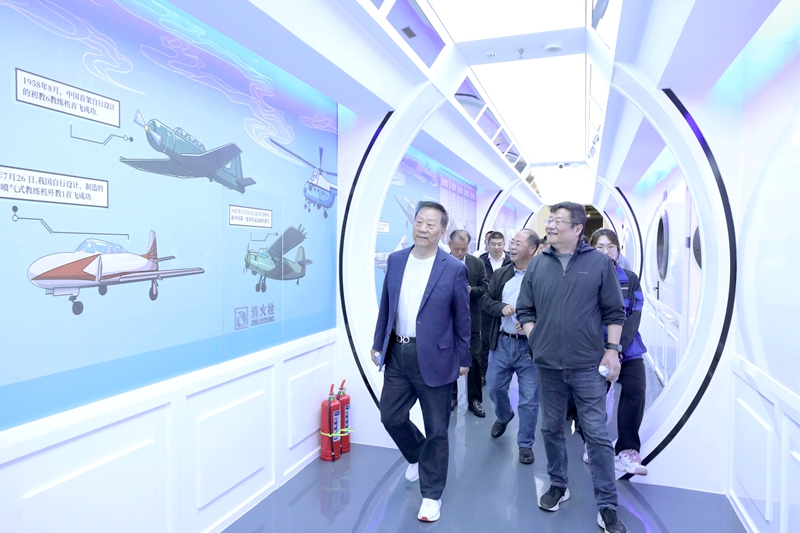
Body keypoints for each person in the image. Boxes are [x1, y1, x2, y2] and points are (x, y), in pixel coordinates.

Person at [516, 202, 629, 533]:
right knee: (551, 428)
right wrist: (535, 338)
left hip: (587, 366)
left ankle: (607, 506)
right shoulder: (539, 263)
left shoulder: (598, 263)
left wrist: (612, 351)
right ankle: (558, 484)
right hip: (548, 366)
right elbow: (525, 308)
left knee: (596, 435)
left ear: (578, 229)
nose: (550, 226)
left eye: (557, 221)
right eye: (549, 220)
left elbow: (614, 312)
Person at [371, 201, 471, 523]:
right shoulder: (396, 260)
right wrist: (378, 342)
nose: (423, 228)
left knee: (437, 429)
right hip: (398, 354)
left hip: (437, 357)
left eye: (430, 224)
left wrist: (464, 358)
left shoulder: (453, 268)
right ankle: (416, 454)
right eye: (419, 222)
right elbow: (387, 304)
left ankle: (431, 495)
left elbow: (463, 318)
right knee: (390, 416)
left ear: (442, 231)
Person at [590, 228, 648, 476]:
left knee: (636, 390)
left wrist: (617, 349)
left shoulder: (631, 279)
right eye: (600, 247)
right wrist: (602, 348)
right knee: (594, 397)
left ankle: (627, 450)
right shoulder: (585, 278)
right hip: (594, 349)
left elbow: (634, 314)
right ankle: (593, 445)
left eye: (610, 247)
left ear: (618, 250)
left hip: (628, 348)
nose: (606, 252)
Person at [480, 229, 541, 464]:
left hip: (530, 349)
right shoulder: (502, 273)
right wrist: (501, 308)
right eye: (511, 242)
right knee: (494, 387)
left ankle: (525, 444)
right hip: (502, 343)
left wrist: (531, 324)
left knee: (529, 399)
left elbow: (553, 309)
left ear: (532, 249)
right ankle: (504, 415)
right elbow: (486, 300)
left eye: (517, 243)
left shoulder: (542, 276)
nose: (511, 247)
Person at [449, 229, 489, 417]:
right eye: (456, 249)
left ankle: (474, 399)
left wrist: (471, 290)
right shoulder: (441, 262)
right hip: (447, 321)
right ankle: (451, 397)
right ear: (449, 245)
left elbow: (485, 287)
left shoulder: (477, 263)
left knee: (474, 358)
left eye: (463, 249)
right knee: (448, 359)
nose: (460, 253)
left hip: (471, 320)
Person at [478, 231, 512, 384]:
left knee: (504, 339)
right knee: (485, 341)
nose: (496, 247)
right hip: (486, 307)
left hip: (507, 308)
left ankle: (504, 373)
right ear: (488, 244)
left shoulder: (511, 261)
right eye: (493, 244)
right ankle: (483, 373)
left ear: (504, 244)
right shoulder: (480, 261)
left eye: (499, 244)